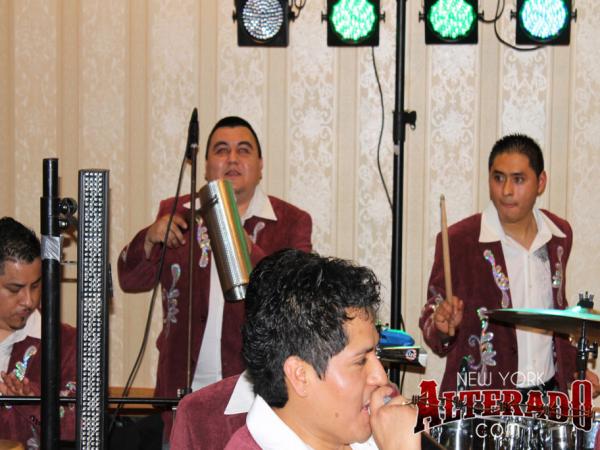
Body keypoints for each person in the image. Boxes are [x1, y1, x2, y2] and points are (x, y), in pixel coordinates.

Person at [117, 116, 312, 440]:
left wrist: (244, 246)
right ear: (206, 166)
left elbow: (300, 301)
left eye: (243, 150)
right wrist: (148, 239)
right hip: (180, 396)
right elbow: (130, 280)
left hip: (256, 399)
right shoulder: (177, 212)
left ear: (260, 165)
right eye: (222, 150)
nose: (232, 159)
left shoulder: (290, 222)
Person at [419, 134, 599, 396]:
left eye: (518, 179)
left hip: (547, 394)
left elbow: (554, 309)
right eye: (498, 178)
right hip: (483, 399)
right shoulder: (459, 240)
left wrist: (573, 369)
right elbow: (432, 314)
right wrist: (441, 324)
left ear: (541, 182)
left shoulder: (559, 235)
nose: (506, 191)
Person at [224, 249, 420, 450]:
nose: (381, 377)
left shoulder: (378, 431)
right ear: (300, 376)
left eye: (376, 354)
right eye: (361, 361)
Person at [0, 217, 76, 447]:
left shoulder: (65, 343)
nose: (29, 300)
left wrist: (32, 400)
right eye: (15, 289)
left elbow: (80, 426)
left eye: (35, 286)